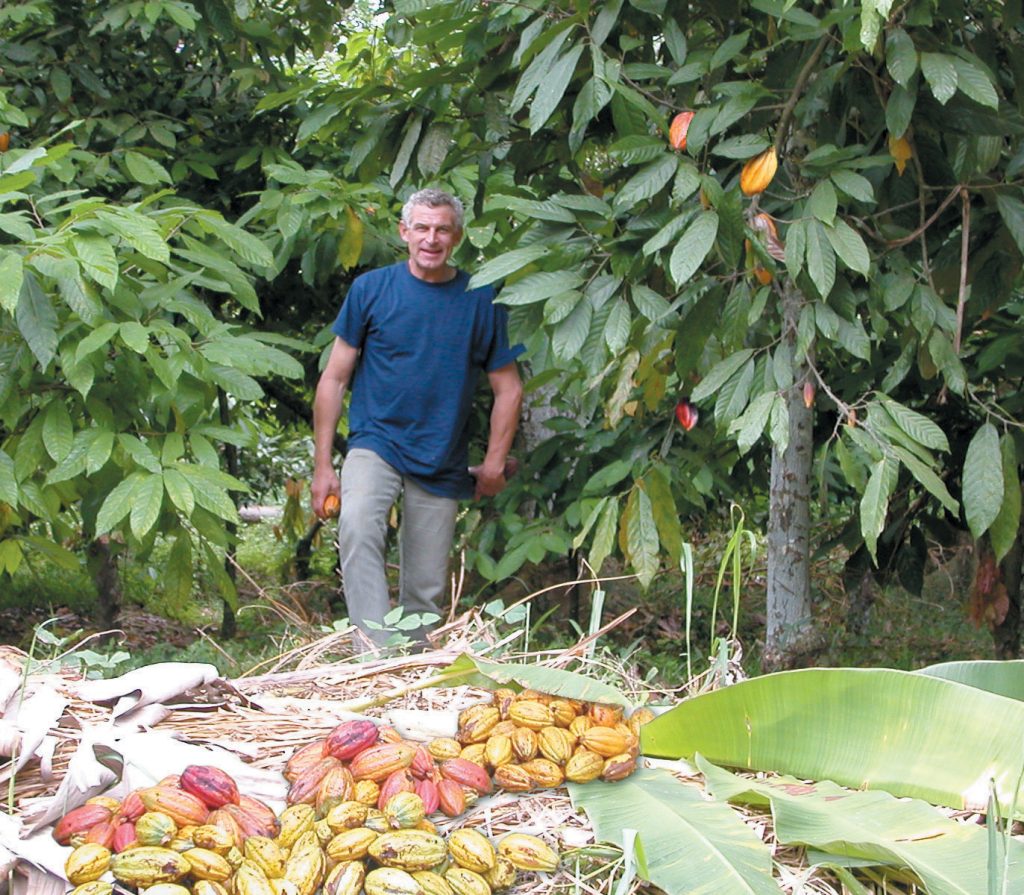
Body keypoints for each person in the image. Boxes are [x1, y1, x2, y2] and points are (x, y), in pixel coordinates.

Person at [311, 188, 523, 648]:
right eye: (422, 228)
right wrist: (323, 466)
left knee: (426, 586)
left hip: (441, 453)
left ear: (457, 237)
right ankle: (374, 656)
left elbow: (509, 387)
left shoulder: (481, 299)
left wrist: (492, 463)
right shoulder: (372, 289)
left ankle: (412, 673)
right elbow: (333, 379)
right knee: (358, 525)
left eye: (442, 229)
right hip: (376, 441)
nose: (431, 238)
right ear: (404, 232)